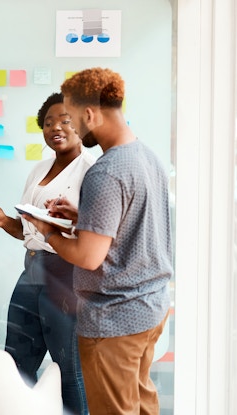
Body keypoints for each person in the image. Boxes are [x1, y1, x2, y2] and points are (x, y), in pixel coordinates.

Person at [22, 68, 173, 415]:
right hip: (149, 309)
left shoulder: (105, 171)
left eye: (73, 119)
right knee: (141, 404)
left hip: (114, 320)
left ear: (89, 114)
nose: (72, 127)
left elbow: (88, 257)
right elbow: (132, 223)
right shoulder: (145, 156)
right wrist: (82, 216)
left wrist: (46, 230)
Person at [0, 92, 95, 415]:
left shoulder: (91, 170)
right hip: (32, 269)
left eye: (65, 121)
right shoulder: (39, 169)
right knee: (16, 363)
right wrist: (5, 222)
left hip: (66, 273)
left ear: (81, 125)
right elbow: (30, 232)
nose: (55, 127)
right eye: (48, 122)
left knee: (68, 368)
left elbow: (92, 232)